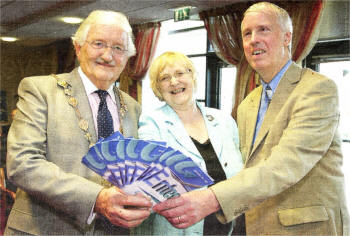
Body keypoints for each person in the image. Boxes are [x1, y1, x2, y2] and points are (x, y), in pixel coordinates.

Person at [152, 2, 349, 235]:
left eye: (264, 29)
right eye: (247, 33)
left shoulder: (317, 90)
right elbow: (245, 170)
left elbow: (285, 166)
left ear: (287, 37)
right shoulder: (248, 104)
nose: (253, 39)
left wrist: (212, 197)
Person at [5, 10, 152, 235]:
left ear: (128, 57)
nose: (107, 55)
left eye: (117, 48)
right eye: (99, 43)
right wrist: (97, 199)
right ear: (78, 48)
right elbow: (22, 164)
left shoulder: (133, 107)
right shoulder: (40, 90)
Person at [131, 51, 244, 235]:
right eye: (164, 78)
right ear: (157, 88)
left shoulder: (224, 121)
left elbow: (240, 176)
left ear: (193, 76)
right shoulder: (151, 122)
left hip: (229, 229)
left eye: (180, 73)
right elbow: (153, 182)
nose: (174, 82)